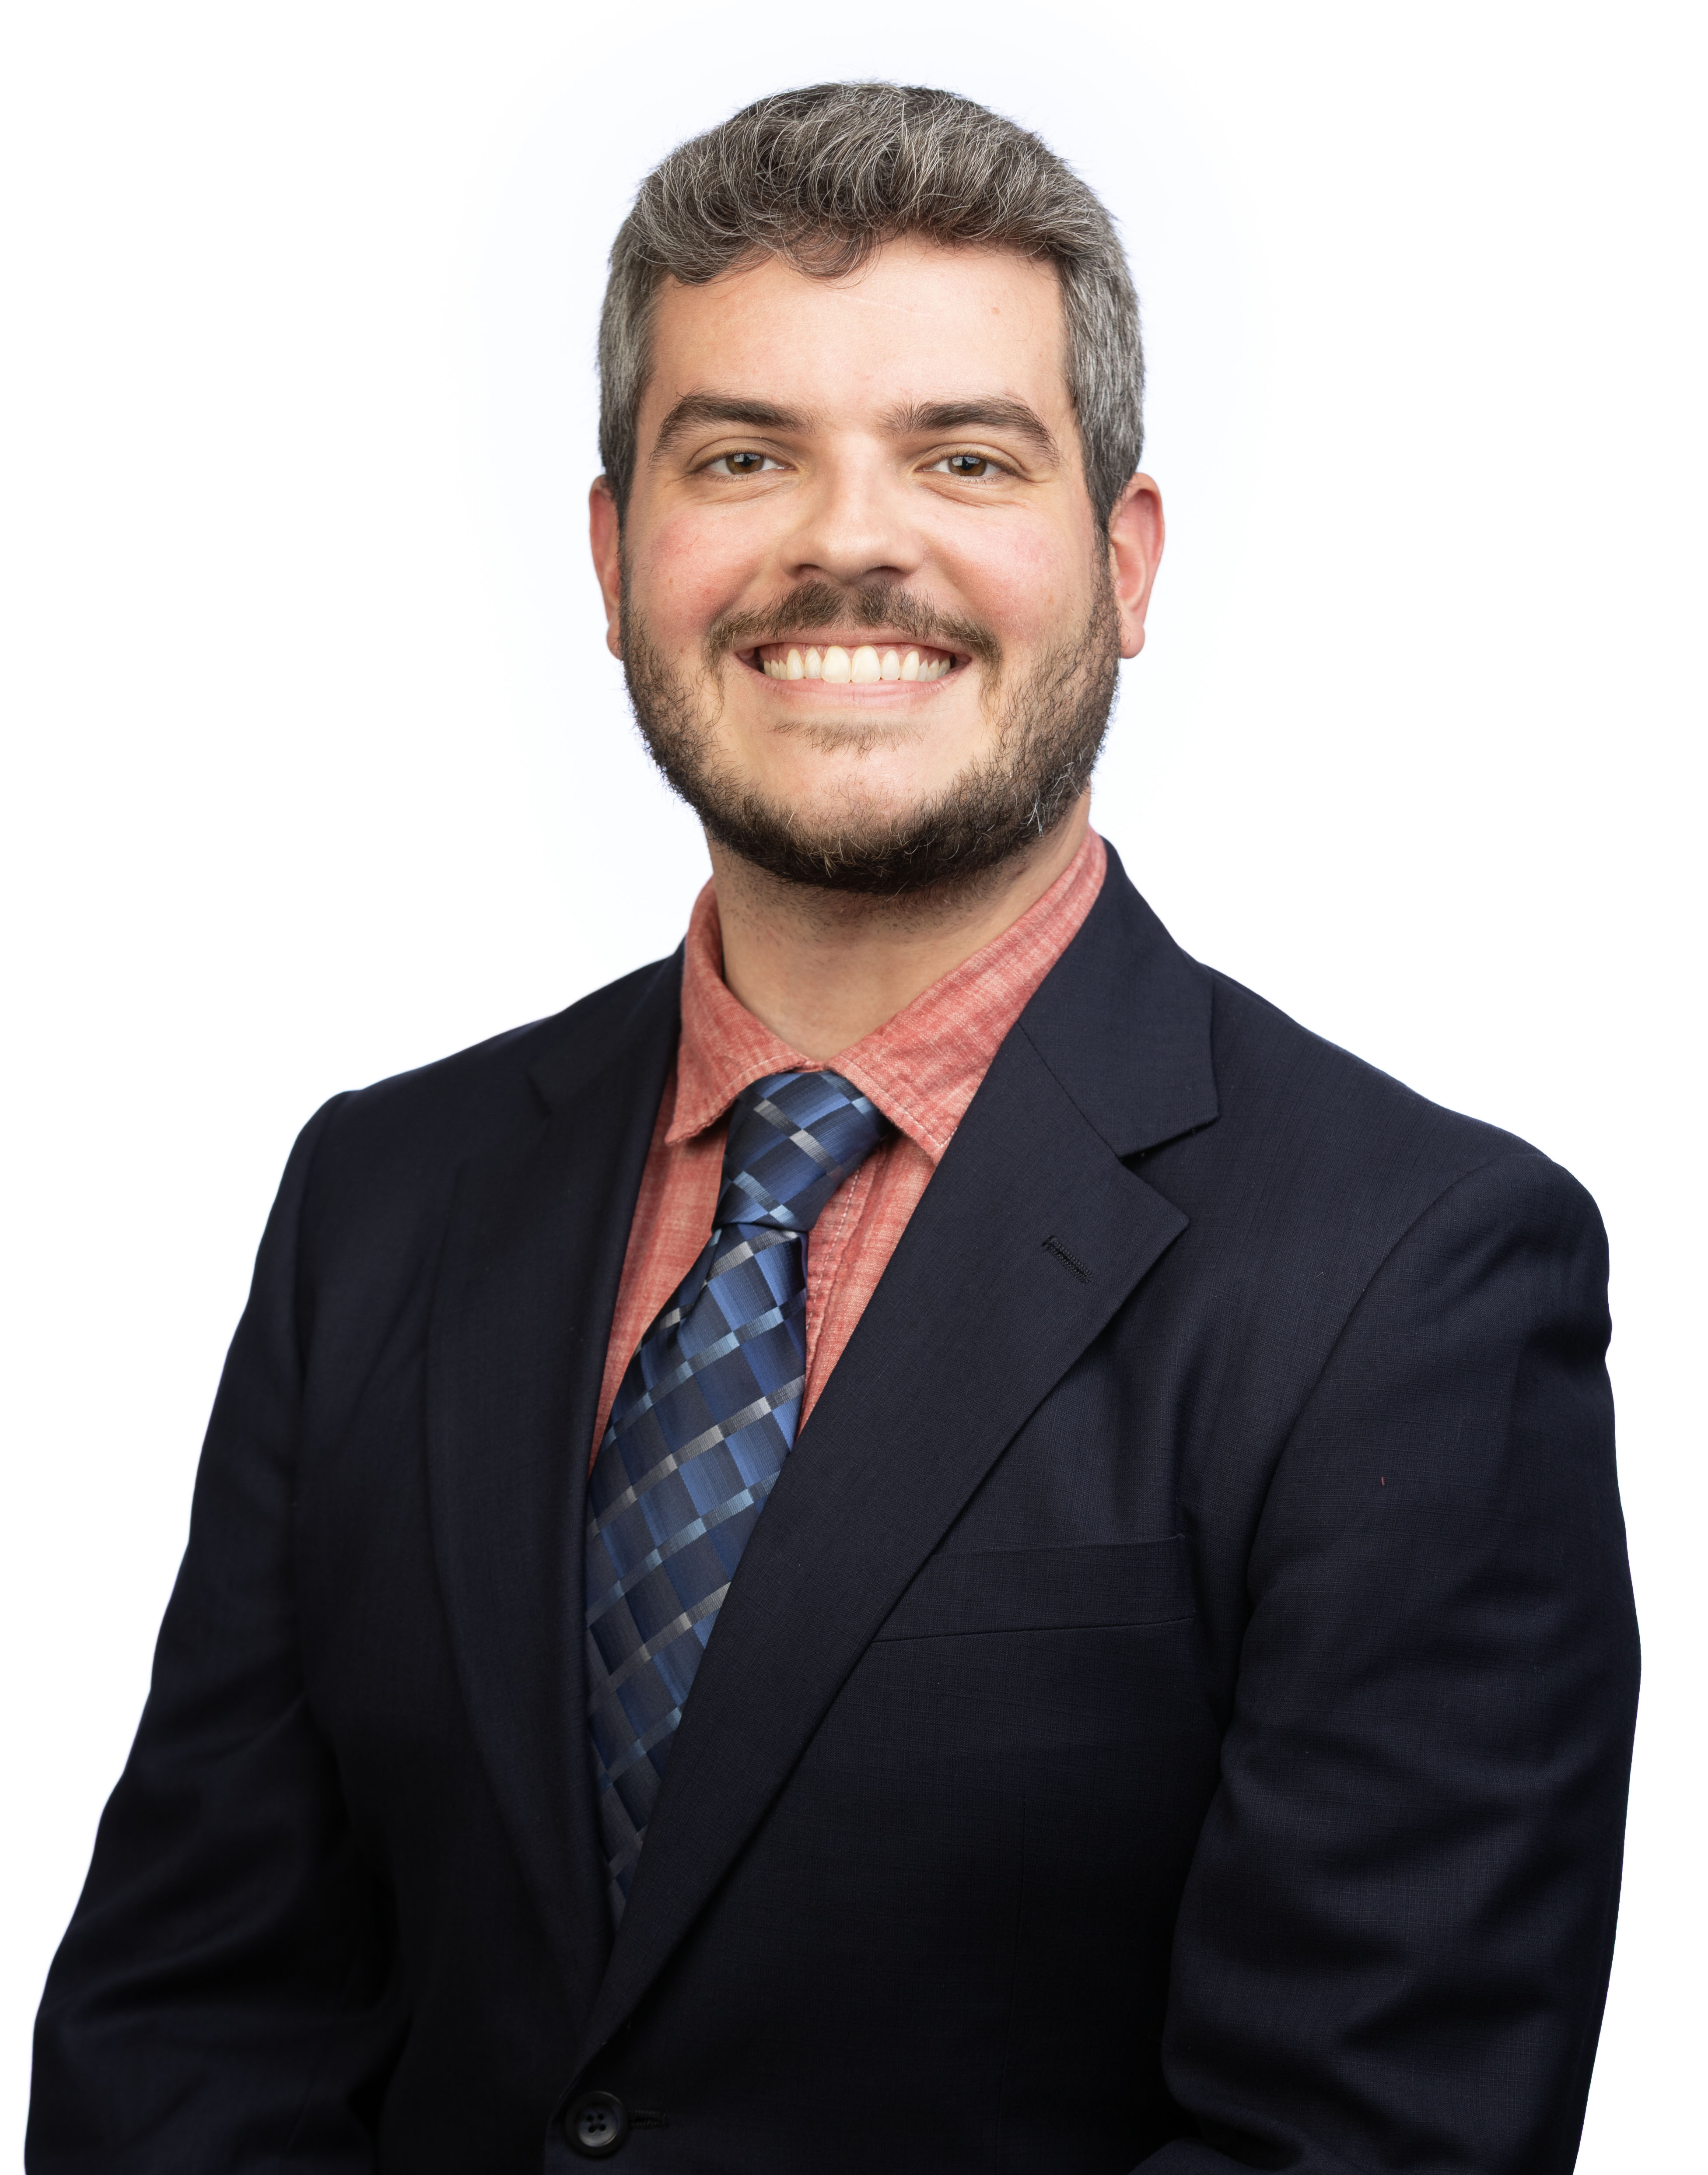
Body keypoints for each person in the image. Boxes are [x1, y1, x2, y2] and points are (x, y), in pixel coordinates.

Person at [27, 81, 1638, 2175]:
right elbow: (194, 2026)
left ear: (1122, 561)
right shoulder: (384, 1203)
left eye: (964, 456)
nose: (846, 538)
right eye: (740, 455)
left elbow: (1359, 2138)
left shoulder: (1411, 1274)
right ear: (616, 559)